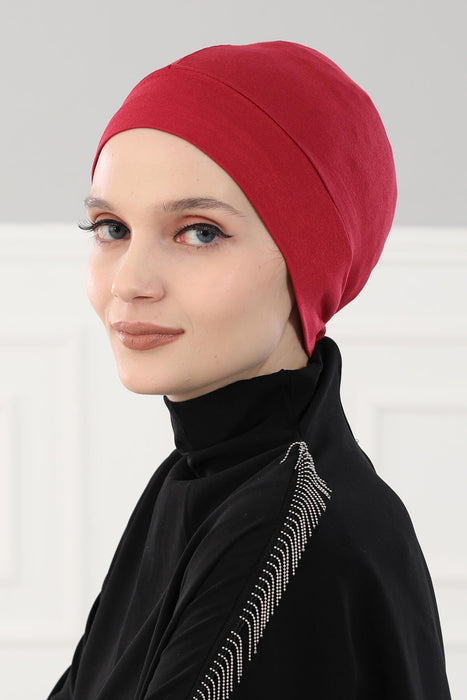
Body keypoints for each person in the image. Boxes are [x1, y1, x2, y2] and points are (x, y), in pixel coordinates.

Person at [47, 41, 452, 699]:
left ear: (307, 263)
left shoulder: (285, 535)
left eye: (199, 232)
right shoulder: (202, 477)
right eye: (111, 228)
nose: (130, 282)